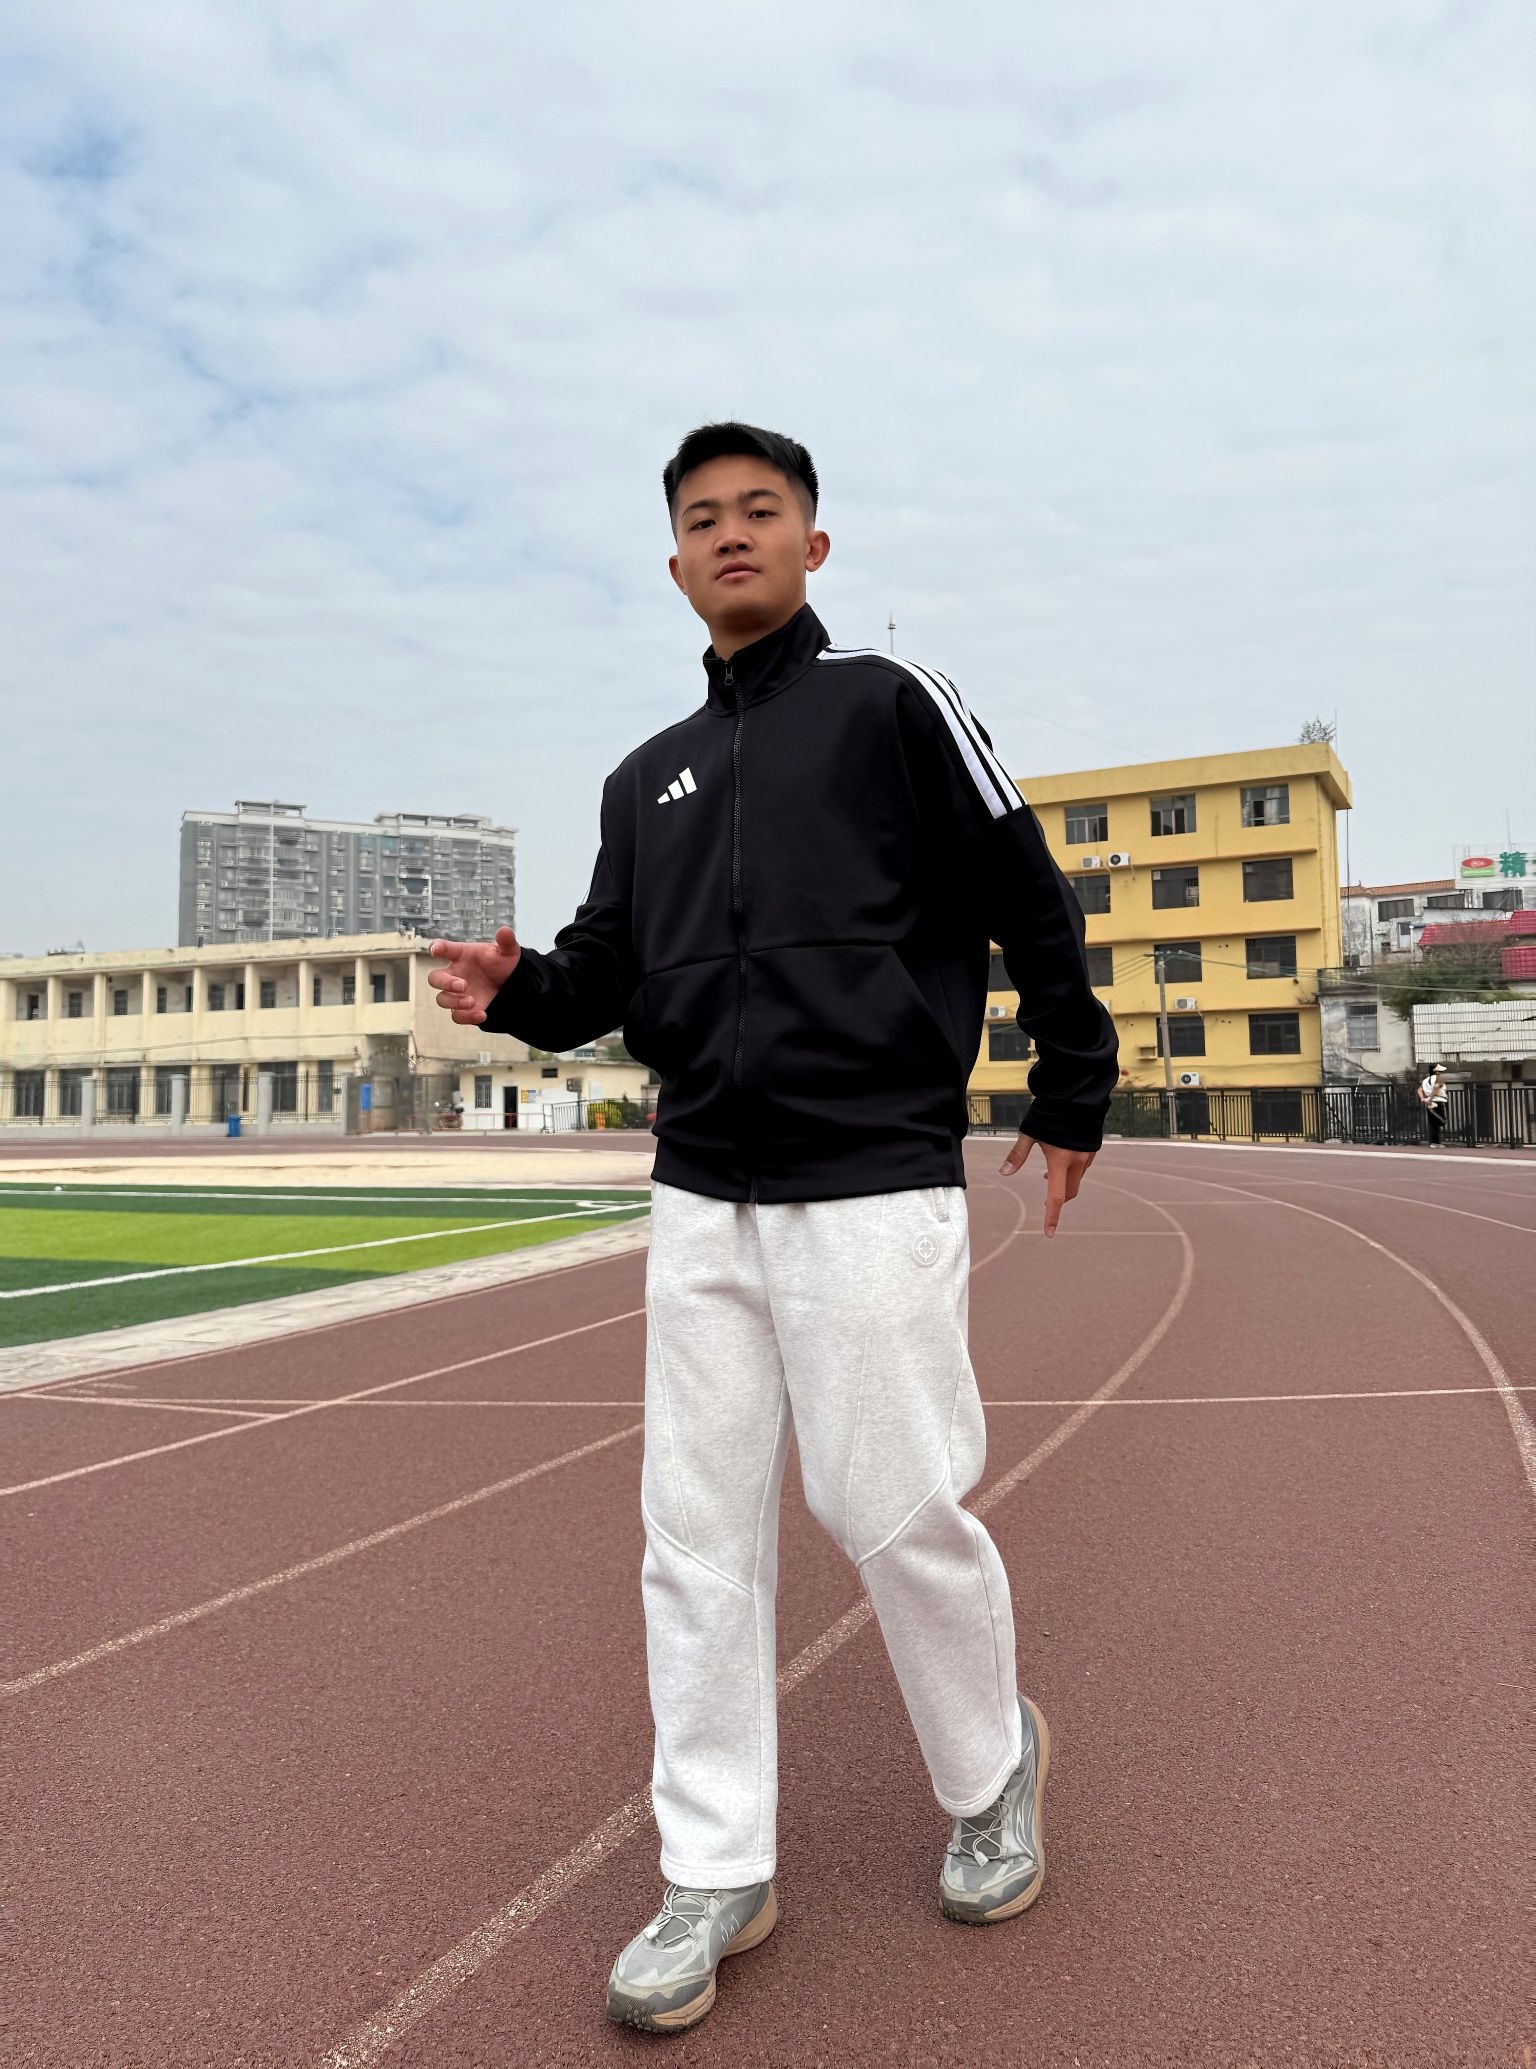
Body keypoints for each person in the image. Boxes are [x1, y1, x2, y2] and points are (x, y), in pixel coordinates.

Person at [428, 422, 1119, 2034]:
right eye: (701, 518)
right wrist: (521, 992)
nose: (730, 532)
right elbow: (603, 975)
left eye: (760, 509)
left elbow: (1026, 891)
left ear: (814, 544)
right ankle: (716, 1866)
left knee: (888, 1501)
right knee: (693, 1536)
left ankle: (991, 1771)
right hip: (701, 1193)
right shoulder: (644, 778)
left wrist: (1073, 1086)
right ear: (674, 563)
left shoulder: (892, 703)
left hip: (870, 1173)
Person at [1417, 1061, 1449, 1145]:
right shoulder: (1439, 1078)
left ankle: (1435, 1142)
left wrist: (1423, 1099)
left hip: (1429, 1102)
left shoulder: (1425, 1080)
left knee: (1433, 1124)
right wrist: (1430, 1099)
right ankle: (1435, 1142)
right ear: (1436, 1071)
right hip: (1439, 1101)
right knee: (1442, 1121)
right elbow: (1435, 1089)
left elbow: (1419, 1090)